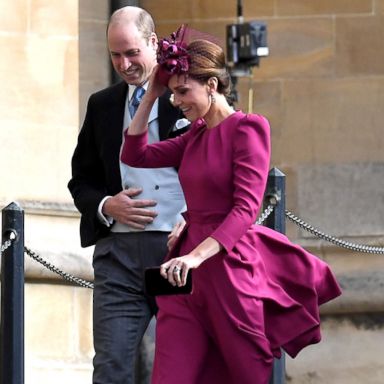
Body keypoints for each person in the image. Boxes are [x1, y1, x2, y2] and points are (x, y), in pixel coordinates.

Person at [121, 25, 342, 384]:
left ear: (211, 85)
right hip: (184, 276)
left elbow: (245, 210)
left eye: (182, 92)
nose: (176, 101)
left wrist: (195, 256)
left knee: (244, 375)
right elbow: (135, 154)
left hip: (229, 272)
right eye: (173, 93)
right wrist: (152, 94)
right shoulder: (194, 135)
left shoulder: (248, 129)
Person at [67, 7, 189, 384]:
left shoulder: (188, 95)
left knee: (178, 367)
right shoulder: (102, 104)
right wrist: (107, 205)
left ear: (154, 43)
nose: (124, 63)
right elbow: (81, 180)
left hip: (177, 255)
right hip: (117, 258)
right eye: (115, 55)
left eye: (132, 52)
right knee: (111, 367)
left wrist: (195, 218)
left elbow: (219, 169)